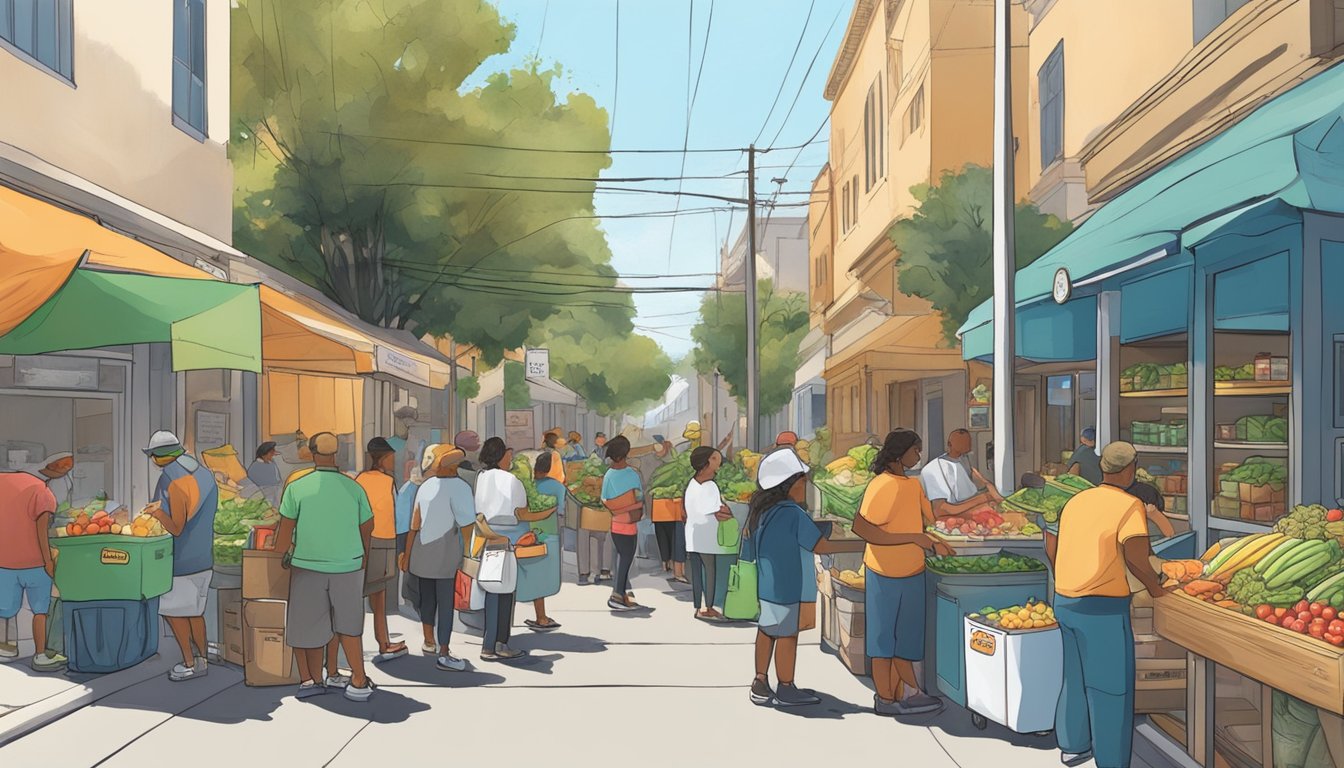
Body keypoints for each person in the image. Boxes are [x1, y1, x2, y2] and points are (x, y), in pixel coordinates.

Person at [1046, 441, 1167, 768]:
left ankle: (1073, 745)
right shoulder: (1129, 506)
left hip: (1066, 600)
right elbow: (1138, 559)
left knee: (1074, 677)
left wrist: (1068, 575)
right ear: (1130, 469)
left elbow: (1053, 543)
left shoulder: (1076, 501)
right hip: (1102, 609)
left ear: (1102, 468)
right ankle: (1111, 761)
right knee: (1110, 689)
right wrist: (1158, 590)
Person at [746, 449, 865, 707]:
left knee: (767, 631)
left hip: (767, 583)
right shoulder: (792, 513)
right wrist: (860, 545)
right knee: (788, 636)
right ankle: (786, 687)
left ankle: (760, 681)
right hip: (787, 584)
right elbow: (820, 546)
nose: (805, 487)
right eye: (802, 482)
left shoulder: (764, 510)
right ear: (787, 485)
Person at [853, 429, 955, 716]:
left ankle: (908, 691)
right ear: (900, 453)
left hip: (913, 571)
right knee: (883, 639)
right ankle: (885, 699)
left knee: (908, 639)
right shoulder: (882, 485)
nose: (919, 456)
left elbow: (928, 521)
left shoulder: (912, 485)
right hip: (883, 573)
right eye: (916, 450)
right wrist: (913, 538)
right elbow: (863, 529)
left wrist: (935, 542)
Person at [272, 432, 376, 702]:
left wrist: (282, 554)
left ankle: (310, 680)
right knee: (349, 626)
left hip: (308, 566)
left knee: (305, 625)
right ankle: (358, 679)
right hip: (348, 566)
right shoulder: (354, 488)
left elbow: (283, 534)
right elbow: (368, 527)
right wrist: (361, 556)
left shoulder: (297, 487)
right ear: (336, 453)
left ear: (312, 452)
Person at [144, 431, 218, 683]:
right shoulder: (203, 473)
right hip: (203, 557)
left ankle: (189, 662)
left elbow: (176, 526)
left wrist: (156, 513)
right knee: (195, 612)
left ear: (159, 457)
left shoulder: (172, 478)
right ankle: (202, 658)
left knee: (175, 613)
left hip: (180, 560)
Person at [401, 446, 477, 672]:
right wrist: (469, 554)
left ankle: (429, 641)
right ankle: (444, 650)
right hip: (446, 553)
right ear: (452, 466)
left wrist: (406, 553)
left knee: (427, 599)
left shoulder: (425, 486)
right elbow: (467, 526)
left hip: (422, 551)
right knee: (445, 602)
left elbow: (414, 524)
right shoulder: (461, 488)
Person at [0, 453, 73, 671]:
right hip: (34, 562)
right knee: (40, 610)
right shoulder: (43, 493)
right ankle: (40, 655)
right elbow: (42, 533)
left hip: (4, 560)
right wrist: (48, 561)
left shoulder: (3, 482)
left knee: (4, 608)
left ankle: (6, 647)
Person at [474, 437, 529, 662]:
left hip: (486, 535)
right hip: (508, 536)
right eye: (508, 455)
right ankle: (499, 643)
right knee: (505, 590)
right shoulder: (511, 480)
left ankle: (489, 643)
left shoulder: (481, 478)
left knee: (491, 589)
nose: (511, 459)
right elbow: (521, 510)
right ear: (500, 456)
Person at [355, 437, 408, 662]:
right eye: (390, 457)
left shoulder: (359, 479)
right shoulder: (388, 481)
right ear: (383, 458)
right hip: (383, 540)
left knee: (358, 595)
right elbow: (397, 513)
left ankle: (356, 645)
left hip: (360, 540)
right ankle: (383, 643)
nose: (393, 461)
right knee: (379, 596)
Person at [684, 447, 732, 621]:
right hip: (707, 535)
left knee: (697, 572)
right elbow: (720, 512)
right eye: (714, 458)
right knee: (709, 570)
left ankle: (698, 606)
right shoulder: (710, 486)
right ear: (705, 463)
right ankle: (708, 607)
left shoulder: (692, 484)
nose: (718, 462)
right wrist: (729, 510)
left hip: (692, 533)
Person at [919, 428, 1004, 519]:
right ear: (950, 444)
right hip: (951, 520)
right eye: (963, 442)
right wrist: (983, 498)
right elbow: (941, 510)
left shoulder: (964, 460)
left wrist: (990, 488)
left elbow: (978, 481)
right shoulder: (934, 469)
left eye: (968, 441)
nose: (969, 445)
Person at [601, 436, 644, 611]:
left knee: (621, 558)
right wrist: (629, 504)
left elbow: (605, 500)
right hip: (630, 525)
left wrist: (617, 508)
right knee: (625, 559)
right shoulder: (633, 474)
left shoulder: (609, 475)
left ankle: (625, 594)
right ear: (626, 453)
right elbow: (639, 499)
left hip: (615, 524)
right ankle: (617, 595)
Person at [526, 453, 565, 631]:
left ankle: (538, 616)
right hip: (549, 534)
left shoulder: (527, 485)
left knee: (529, 575)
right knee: (543, 577)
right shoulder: (557, 487)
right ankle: (541, 617)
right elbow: (562, 511)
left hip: (527, 534)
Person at [246, 442, 283, 506]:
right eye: (271, 452)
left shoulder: (272, 464)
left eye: (273, 452)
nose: (273, 454)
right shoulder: (255, 466)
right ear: (264, 454)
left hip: (275, 492)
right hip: (263, 494)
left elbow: (278, 479)